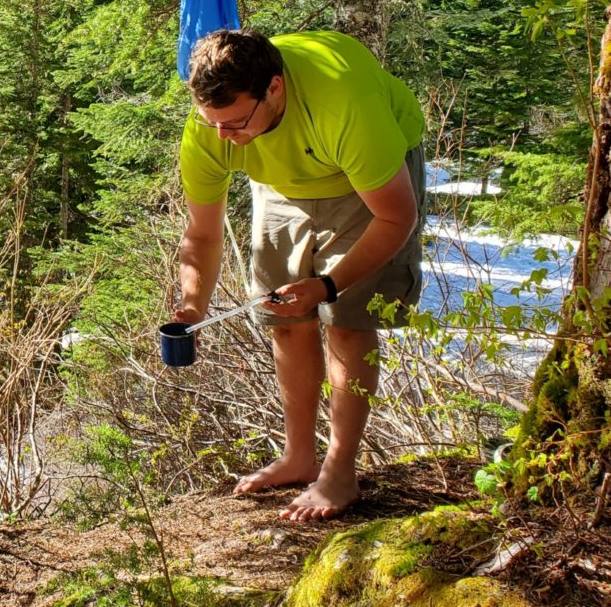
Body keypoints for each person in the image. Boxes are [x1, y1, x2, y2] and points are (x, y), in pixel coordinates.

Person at [171, 29, 425, 521]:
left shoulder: (342, 105)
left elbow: (396, 217)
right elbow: (202, 234)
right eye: (212, 123)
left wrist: (328, 284)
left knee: (348, 318)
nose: (222, 136)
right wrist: (192, 305)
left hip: (367, 182)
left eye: (234, 123)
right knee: (283, 315)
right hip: (283, 175)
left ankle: (340, 469)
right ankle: (297, 456)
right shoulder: (215, 126)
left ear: (274, 88)